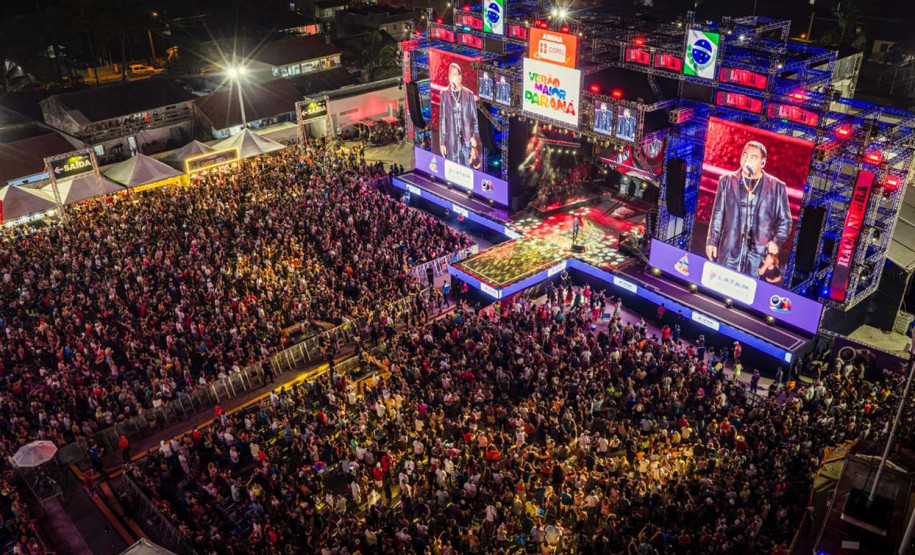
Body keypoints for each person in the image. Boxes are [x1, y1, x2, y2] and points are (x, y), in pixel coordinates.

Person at [705, 140, 792, 279]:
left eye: (753, 157)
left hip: (759, 252)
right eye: (745, 155)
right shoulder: (726, 181)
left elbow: (785, 220)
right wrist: (712, 241)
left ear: (763, 162)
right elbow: (718, 213)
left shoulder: (777, 187)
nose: (747, 159)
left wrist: (776, 241)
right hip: (730, 247)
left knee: (750, 290)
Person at [438, 62, 480, 168]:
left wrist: (473, 138)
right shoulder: (444, 94)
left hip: (467, 141)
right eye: (450, 74)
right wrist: (442, 143)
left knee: (467, 170)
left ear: (460, 77)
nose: (452, 76)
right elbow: (443, 120)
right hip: (452, 142)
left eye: (455, 74)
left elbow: (475, 120)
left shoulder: (469, 95)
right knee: (453, 170)